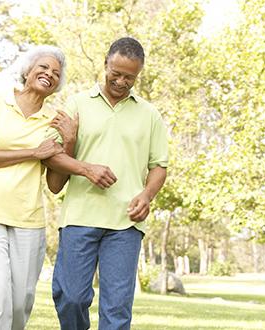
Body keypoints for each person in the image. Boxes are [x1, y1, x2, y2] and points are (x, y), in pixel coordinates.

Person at [45, 37, 169, 330]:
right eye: (117, 73)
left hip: (125, 223)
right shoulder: (76, 104)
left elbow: (159, 167)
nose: (122, 81)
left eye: (130, 77)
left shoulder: (150, 115)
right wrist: (87, 169)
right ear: (105, 64)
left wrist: (147, 195)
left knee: (117, 309)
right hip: (79, 216)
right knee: (70, 297)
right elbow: (51, 156)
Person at [0, 45, 75, 330]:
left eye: (56, 73)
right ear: (28, 70)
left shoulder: (53, 122)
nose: (49, 74)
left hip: (28, 219)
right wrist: (33, 153)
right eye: (43, 67)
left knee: (21, 302)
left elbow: (55, 184)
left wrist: (69, 142)